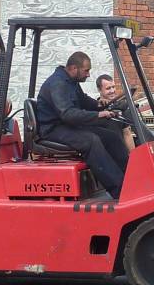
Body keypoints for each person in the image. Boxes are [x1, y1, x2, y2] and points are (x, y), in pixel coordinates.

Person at [36, 52, 129, 199]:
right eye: (86, 70)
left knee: (110, 136)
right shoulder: (58, 84)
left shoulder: (70, 82)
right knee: (91, 141)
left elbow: (83, 100)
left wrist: (99, 105)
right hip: (53, 129)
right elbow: (67, 114)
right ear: (74, 68)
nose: (88, 75)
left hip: (67, 126)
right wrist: (98, 115)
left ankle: (132, 179)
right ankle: (120, 190)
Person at [96, 74, 136, 151]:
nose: (112, 91)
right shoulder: (94, 110)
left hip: (121, 154)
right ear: (99, 90)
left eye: (113, 87)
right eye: (108, 88)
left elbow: (127, 133)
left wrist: (133, 157)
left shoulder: (120, 108)